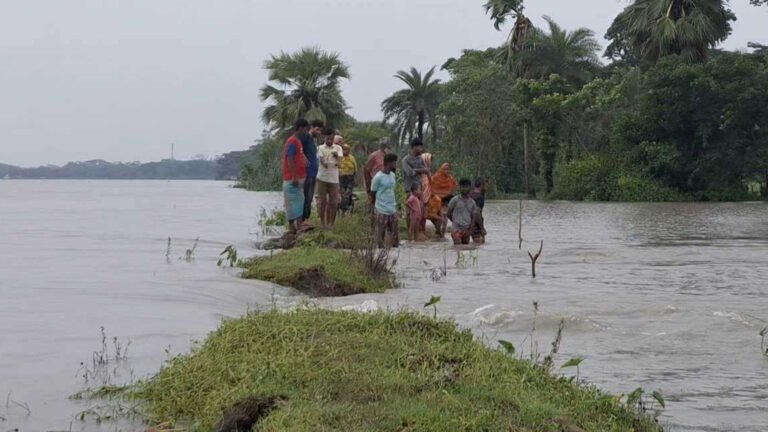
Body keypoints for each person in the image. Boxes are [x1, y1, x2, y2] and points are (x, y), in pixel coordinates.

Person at [282, 119, 310, 233]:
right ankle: (297, 226)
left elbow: (298, 155)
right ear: (299, 128)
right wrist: (294, 176)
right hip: (292, 178)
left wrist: (304, 158)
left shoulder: (296, 141)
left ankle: (295, 226)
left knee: (297, 200)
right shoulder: (292, 141)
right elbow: (289, 158)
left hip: (297, 177)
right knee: (296, 201)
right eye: (305, 129)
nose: (306, 131)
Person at [370, 153, 400, 248]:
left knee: (395, 235)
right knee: (380, 234)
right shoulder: (378, 177)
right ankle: (380, 252)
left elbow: (392, 190)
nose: (395, 164)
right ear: (388, 163)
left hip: (392, 208)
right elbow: (373, 193)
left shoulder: (392, 175)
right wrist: (374, 207)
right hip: (381, 208)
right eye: (394, 162)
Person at [316, 129, 343, 229]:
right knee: (322, 201)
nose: (330, 140)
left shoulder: (338, 148)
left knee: (334, 202)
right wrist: (333, 163)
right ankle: (323, 224)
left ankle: (331, 224)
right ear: (324, 138)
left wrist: (336, 159)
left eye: (331, 138)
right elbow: (323, 162)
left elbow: (340, 162)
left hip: (334, 179)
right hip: (322, 178)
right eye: (328, 138)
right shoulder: (320, 148)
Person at [402, 138, 430, 233]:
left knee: (420, 211)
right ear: (414, 147)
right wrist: (420, 170)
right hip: (410, 188)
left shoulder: (420, 158)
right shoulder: (406, 160)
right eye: (419, 147)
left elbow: (426, 170)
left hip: (419, 188)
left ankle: (419, 231)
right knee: (411, 211)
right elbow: (410, 173)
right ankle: (410, 231)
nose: (421, 149)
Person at [301, 120, 324, 224]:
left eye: (320, 130)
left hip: (314, 172)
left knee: (310, 197)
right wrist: (304, 158)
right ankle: (303, 220)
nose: (319, 132)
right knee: (306, 197)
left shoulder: (314, 141)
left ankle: (307, 219)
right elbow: (299, 149)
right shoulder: (306, 137)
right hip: (307, 173)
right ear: (312, 127)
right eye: (317, 129)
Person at [428, 162, 458, 237]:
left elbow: (453, 188)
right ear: (442, 169)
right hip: (436, 201)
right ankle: (439, 233)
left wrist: (446, 194)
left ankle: (442, 235)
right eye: (445, 169)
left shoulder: (451, 179)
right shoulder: (435, 177)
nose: (447, 171)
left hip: (446, 200)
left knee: (444, 217)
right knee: (438, 218)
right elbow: (430, 187)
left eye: (449, 169)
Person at [447, 179, 479, 245]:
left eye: (467, 187)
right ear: (460, 188)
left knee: (465, 248)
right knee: (457, 247)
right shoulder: (455, 200)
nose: (465, 189)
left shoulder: (472, 202)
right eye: (463, 187)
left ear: (470, 188)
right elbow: (448, 213)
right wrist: (454, 222)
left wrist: (470, 229)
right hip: (456, 228)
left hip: (467, 228)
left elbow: (474, 217)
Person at [364, 138, 391, 203]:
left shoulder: (390, 156)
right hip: (376, 183)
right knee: (375, 202)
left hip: (387, 183)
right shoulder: (374, 156)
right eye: (384, 145)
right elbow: (366, 170)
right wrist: (368, 185)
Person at [339, 143, 358, 213]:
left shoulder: (352, 158)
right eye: (343, 150)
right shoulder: (340, 158)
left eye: (346, 150)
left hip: (350, 177)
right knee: (342, 193)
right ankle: (343, 207)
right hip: (341, 177)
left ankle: (347, 206)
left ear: (349, 151)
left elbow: (355, 169)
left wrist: (355, 180)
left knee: (348, 192)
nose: (345, 151)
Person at [470, 178, 488, 244]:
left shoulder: (470, 195)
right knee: (479, 244)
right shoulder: (479, 197)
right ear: (481, 185)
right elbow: (477, 212)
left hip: (469, 224)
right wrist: (482, 228)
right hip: (476, 226)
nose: (486, 188)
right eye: (485, 186)